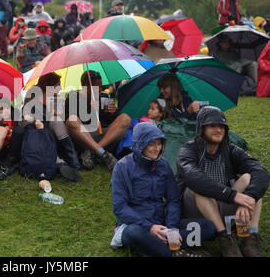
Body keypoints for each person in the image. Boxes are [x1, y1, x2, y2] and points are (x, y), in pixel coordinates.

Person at [111, 122, 215, 257]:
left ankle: (153, 248)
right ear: (140, 144)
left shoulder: (163, 164)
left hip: (162, 223)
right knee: (133, 233)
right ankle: (173, 254)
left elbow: (173, 199)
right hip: (136, 225)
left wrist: (171, 228)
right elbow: (120, 207)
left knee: (208, 227)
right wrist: (150, 227)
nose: (157, 148)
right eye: (151, 144)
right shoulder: (122, 167)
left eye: (159, 144)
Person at [176, 106, 269, 257]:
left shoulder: (230, 149)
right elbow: (193, 177)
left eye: (221, 126)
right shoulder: (188, 150)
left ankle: (250, 238)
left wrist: (249, 198)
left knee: (249, 178)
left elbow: (260, 170)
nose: (218, 130)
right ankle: (225, 238)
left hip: (223, 206)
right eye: (212, 125)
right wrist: (233, 195)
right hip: (197, 210)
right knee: (197, 186)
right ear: (201, 128)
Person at [21, 73, 82, 182]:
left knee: (56, 121)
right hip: (36, 135)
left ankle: (73, 160)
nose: (60, 88)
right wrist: (37, 120)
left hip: (52, 134)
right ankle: (59, 163)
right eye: (58, 85)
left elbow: (61, 115)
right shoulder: (33, 93)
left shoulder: (56, 98)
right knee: (39, 128)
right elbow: (26, 114)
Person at [64, 70, 131, 171]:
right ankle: (103, 154)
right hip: (85, 137)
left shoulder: (102, 97)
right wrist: (89, 108)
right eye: (97, 86)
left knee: (125, 118)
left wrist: (113, 112)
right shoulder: (73, 98)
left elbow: (113, 121)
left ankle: (95, 151)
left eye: (101, 86)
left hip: (105, 137)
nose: (100, 89)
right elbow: (70, 122)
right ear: (87, 85)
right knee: (71, 120)